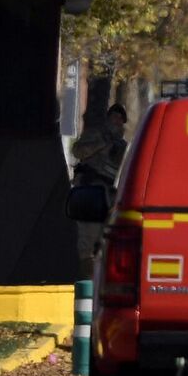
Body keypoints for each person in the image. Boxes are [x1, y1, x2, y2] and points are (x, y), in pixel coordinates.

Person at [72, 104, 131, 277]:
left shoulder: (123, 146)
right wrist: (102, 143)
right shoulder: (96, 134)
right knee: (88, 242)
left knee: (106, 241)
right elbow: (78, 151)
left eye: (120, 119)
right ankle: (86, 285)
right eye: (114, 116)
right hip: (90, 190)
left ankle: (98, 280)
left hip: (111, 196)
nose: (117, 121)